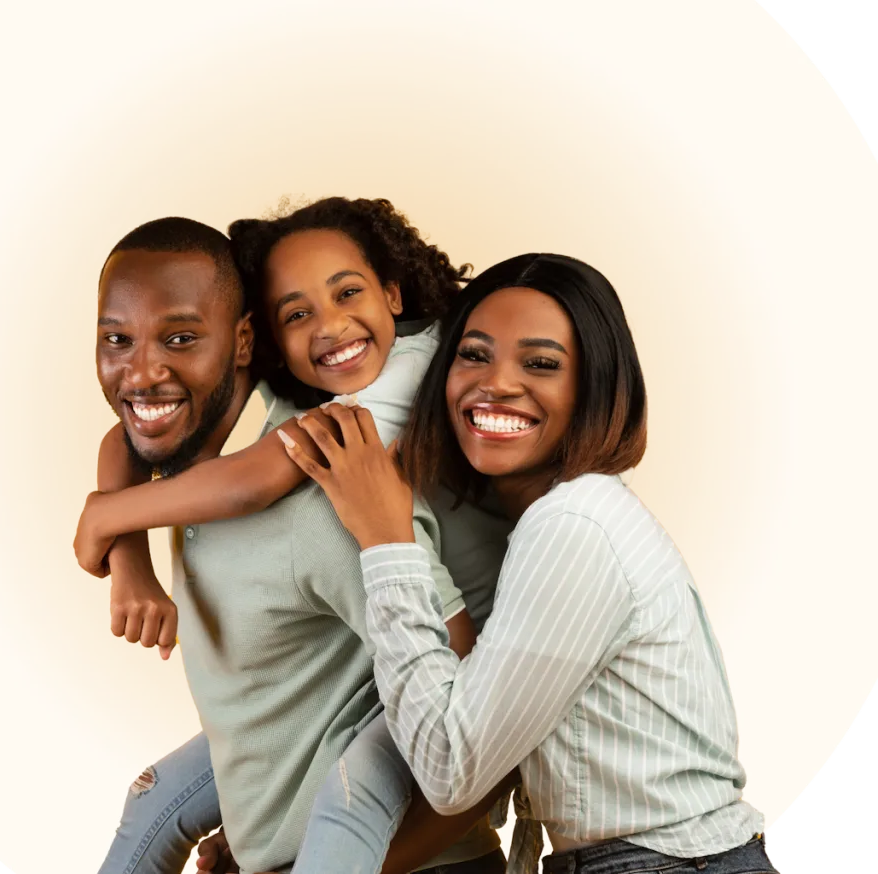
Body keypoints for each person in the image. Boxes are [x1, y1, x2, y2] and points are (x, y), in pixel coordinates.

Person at [282, 253, 779, 874]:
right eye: (474, 354)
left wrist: (387, 540)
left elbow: (450, 769)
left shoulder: (575, 525)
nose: (497, 383)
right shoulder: (563, 517)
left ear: (594, 385)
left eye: (541, 364)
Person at [86, 209, 514, 874]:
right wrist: (127, 553)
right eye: (118, 340)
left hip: (411, 856)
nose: (143, 374)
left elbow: (477, 724)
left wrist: (104, 517)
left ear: (240, 341)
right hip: (302, 824)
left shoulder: (331, 471)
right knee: (153, 803)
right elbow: (126, 442)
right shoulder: (197, 450)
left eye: (179, 339)